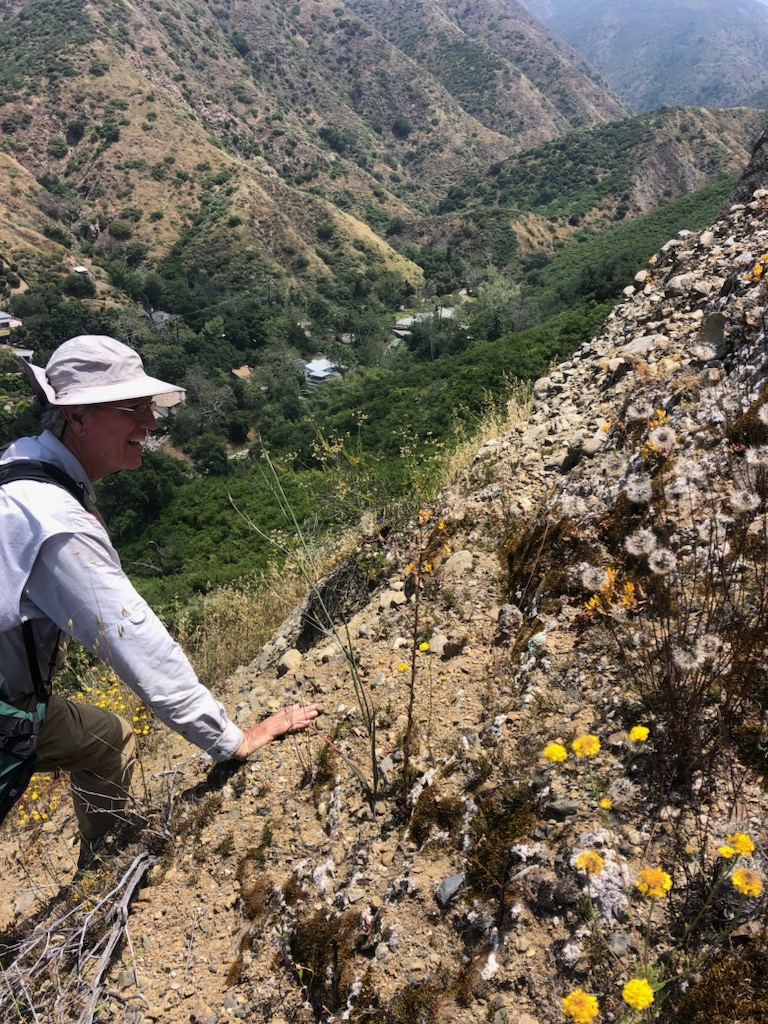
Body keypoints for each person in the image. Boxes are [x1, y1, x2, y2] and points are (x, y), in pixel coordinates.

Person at [0, 335, 319, 867]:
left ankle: (100, 873)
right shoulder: (53, 521)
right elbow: (134, 640)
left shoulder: (24, 465)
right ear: (76, 417)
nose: (150, 423)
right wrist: (230, 740)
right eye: (133, 409)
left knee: (105, 740)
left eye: (150, 407)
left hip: (16, 696)